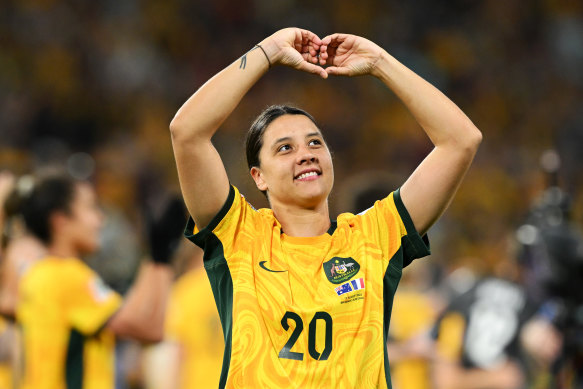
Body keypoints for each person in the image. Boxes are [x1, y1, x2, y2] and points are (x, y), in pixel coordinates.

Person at [170, 28, 482, 388]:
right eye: (284, 148)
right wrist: (268, 51)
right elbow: (187, 132)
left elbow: (461, 141)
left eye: (315, 142)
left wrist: (381, 63)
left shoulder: (374, 237)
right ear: (259, 177)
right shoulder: (240, 235)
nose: (306, 154)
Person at [15, 171, 179, 389]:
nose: (100, 218)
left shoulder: (41, 274)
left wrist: (156, 259)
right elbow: (148, 328)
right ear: (60, 221)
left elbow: (148, 329)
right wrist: (159, 257)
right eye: (90, 207)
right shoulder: (66, 276)